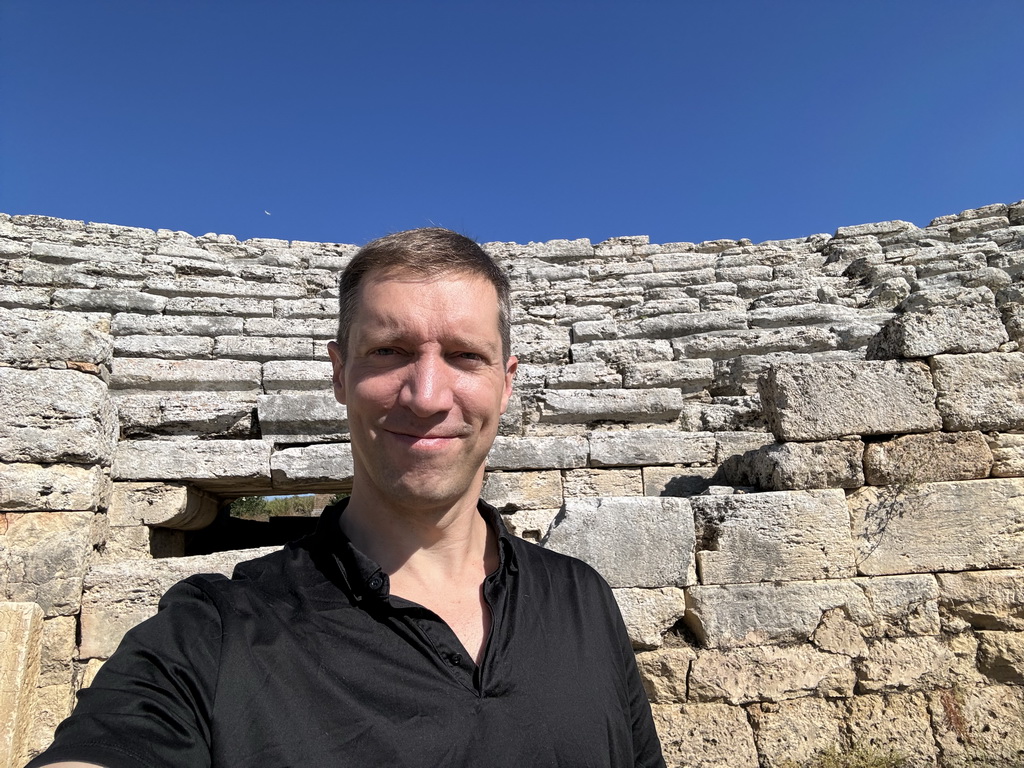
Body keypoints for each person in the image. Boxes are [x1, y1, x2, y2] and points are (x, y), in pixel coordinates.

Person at [30, 228, 665, 768]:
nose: (427, 395)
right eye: (389, 351)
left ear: (506, 383)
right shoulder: (215, 634)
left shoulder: (586, 601)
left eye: (466, 356)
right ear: (339, 373)